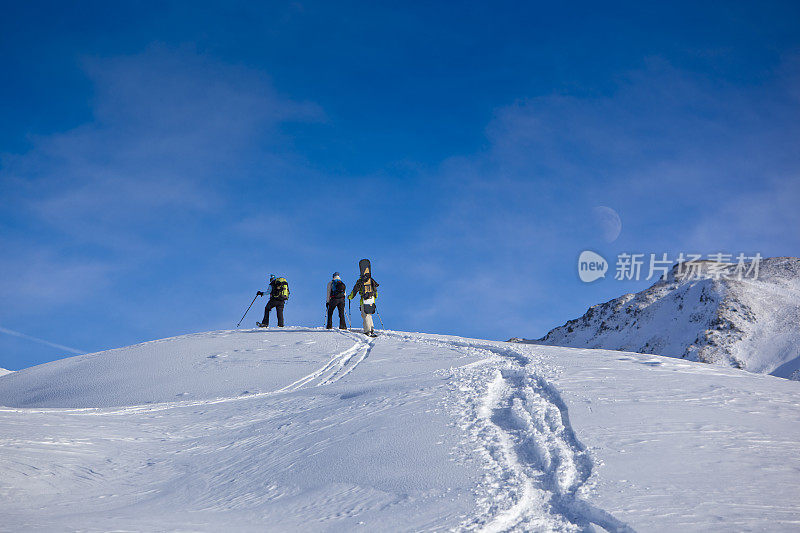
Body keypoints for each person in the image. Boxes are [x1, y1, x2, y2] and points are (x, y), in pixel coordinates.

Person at [348, 265, 379, 336]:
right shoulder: (371, 280)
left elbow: (355, 291)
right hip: (372, 300)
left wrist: (350, 297)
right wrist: (375, 297)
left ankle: (367, 331)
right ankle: (371, 329)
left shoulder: (360, 281)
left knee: (365, 315)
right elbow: (375, 290)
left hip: (364, 300)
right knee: (369, 315)